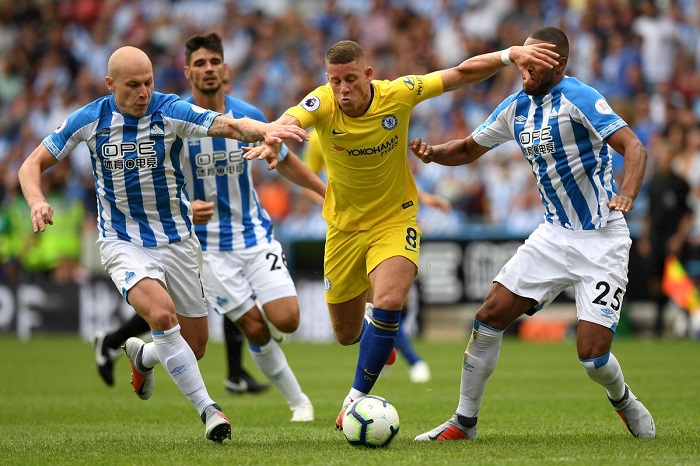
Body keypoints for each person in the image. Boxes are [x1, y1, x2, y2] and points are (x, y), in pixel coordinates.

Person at [245, 39, 560, 429]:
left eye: (350, 79)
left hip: (395, 221)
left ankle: (354, 400)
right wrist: (274, 136)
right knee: (345, 335)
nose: (343, 89)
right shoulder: (323, 102)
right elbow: (291, 119)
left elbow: (460, 73)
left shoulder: (398, 94)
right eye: (335, 81)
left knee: (390, 300)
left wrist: (509, 54)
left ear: (369, 75)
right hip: (342, 229)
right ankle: (379, 339)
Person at [18, 45, 307, 442]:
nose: (143, 93)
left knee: (196, 345)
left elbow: (223, 124)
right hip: (122, 241)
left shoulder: (168, 109)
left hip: (178, 240)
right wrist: (36, 200)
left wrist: (264, 129)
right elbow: (31, 164)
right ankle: (210, 411)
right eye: (133, 85)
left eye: (148, 83)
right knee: (161, 315)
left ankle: (144, 355)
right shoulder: (89, 119)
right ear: (110, 84)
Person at [408, 26, 655, 440]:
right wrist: (434, 154)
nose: (522, 65)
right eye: (520, 57)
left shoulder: (580, 98)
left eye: (532, 59)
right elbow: (469, 148)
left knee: (593, 358)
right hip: (553, 236)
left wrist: (627, 193)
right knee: (488, 317)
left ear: (557, 63)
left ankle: (624, 400)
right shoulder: (515, 106)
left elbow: (635, 147)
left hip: (601, 238)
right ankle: (463, 422)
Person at [304, 127, 441, 383]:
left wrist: (422, 196)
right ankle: (410, 359)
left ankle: (403, 357)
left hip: (387, 223)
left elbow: (390, 175)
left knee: (395, 300)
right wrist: (340, 201)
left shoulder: (377, 123)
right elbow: (307, 184)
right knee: (358, 318)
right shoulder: (317, 137)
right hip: (348, 231)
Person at [637, 136, 693, 336]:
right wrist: (645, 238)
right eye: (663, 156)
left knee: (678, 281)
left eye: (669, 155)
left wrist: (679, 237)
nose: (665, 159)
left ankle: (687, 324)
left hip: (673, 239)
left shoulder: (681, 183)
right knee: (656, 281)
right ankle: (658, 325)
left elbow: (687, 214)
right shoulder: (654, 183)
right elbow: (649, 213)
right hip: (656, 238)